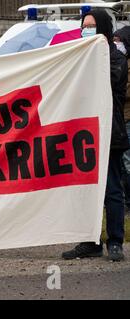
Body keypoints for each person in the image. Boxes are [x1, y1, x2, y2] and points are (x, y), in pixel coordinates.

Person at [62, 9, 129, 262]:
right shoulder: (81, 57)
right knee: (86, 189)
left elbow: (106, 85)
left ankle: (114, 242)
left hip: (110, 133)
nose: (86, 29)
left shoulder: (115, 58)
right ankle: (90, 241)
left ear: (102, 28)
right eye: (84, 25)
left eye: (91, 25)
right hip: (85, 133)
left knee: (112, 189)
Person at [113, 26, 130, 216]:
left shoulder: (123, 64)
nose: (117, 44)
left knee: (127, 163)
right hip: (119, 119)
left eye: (120, 40)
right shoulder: (117, 62)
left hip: (127, 119)